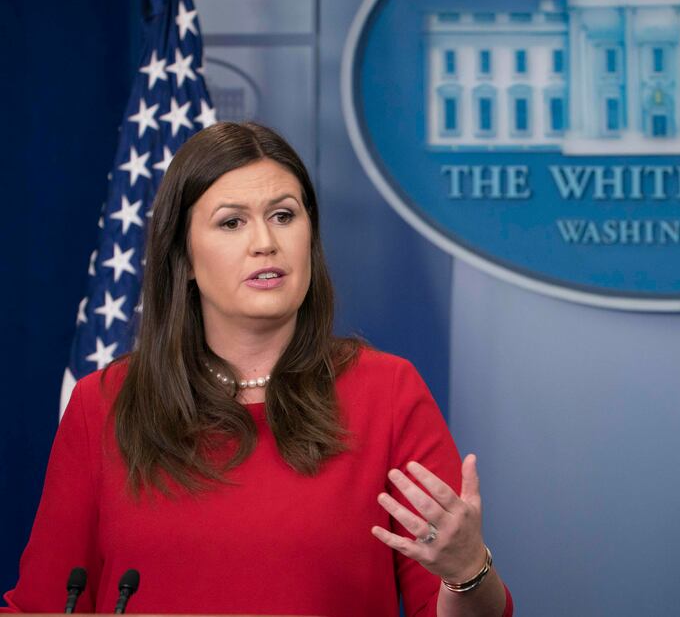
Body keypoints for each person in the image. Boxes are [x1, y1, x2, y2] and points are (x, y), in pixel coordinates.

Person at [1, 122, 512, 616]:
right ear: (183, 254)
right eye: (231, 222)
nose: (265, 241)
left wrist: (467, 571)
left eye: (284, 216)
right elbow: (43, 605)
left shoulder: (388, 392)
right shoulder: (105, 402)